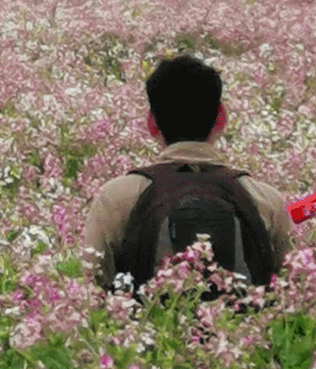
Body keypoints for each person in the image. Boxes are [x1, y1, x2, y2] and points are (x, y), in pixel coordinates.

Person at [81, 54, 294, 292]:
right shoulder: (265, 200)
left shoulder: (116, 198)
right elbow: (291, 285)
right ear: (221, 118)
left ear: (151, 123)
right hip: (244, 315)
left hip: (148, 315)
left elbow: (93, 286)